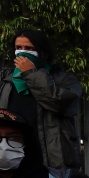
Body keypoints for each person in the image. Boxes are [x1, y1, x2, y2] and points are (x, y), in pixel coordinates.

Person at [0, 30, 81, 170]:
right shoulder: (5, 80)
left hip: (48, 159)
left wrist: (31, 73)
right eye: (18, 48)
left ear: (44, 53)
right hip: (9, 155)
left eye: (30, 49)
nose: (22, 52)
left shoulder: (63, 80)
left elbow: (58, 103)